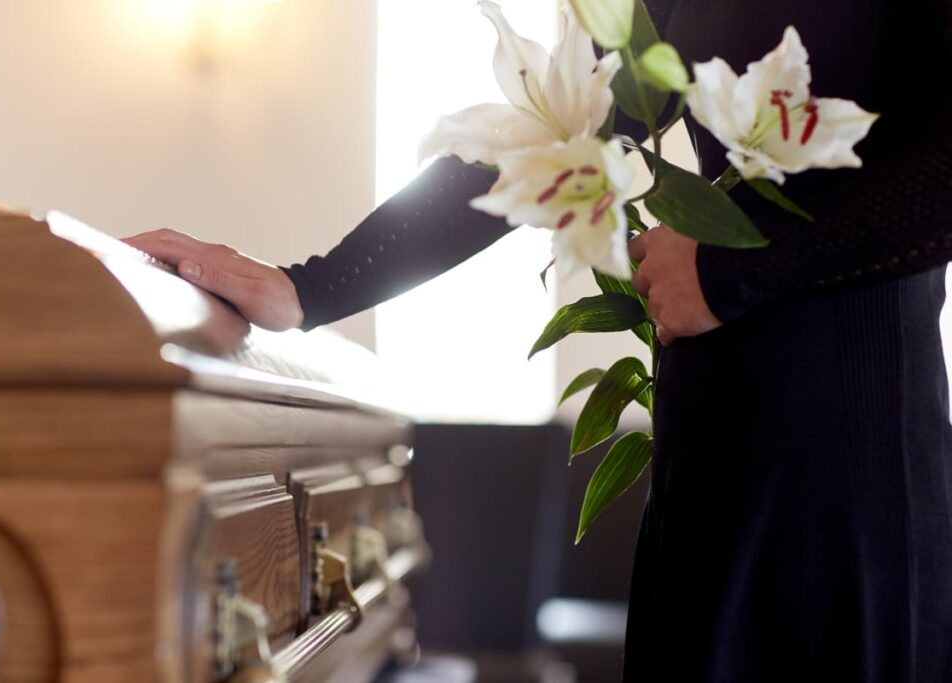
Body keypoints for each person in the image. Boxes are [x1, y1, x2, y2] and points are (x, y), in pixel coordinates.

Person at [126, 0, 952, 679]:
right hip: (713, 442)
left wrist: (738, 271)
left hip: (855, 453)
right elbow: (550, 137)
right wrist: (312, 285)